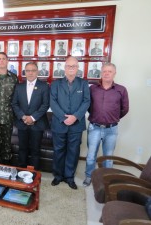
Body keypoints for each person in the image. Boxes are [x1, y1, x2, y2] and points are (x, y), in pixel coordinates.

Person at [83, 62, 129, 187]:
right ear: (101, 73)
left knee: (108, 157)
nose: (106, 73)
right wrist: (96, 116)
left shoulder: (121, 90)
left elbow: (125, 108)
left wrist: (113, 118)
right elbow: (88, 105)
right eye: (104, 71)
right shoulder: (92, 89)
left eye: (109, 71)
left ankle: (107, 179)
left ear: (114, 73)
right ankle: (89, 176)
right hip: (94, 127)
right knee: (91, 155)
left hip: (111, 129)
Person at [50, 56, 90, 190]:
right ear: (64, 68)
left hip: (76, 124)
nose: (71, 68)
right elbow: (53, 102)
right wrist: (63, 117)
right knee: (58, 150)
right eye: (69, 66)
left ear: (78, 68)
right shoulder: (56, 84)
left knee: (73, 151)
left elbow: (86, 101)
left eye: (74, 66)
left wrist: (75, 117)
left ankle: (69, 177)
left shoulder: (83, 83)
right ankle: (58, 176)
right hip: (59, 123)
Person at [12, 62, 49, 170]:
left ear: (37, 72)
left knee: (35, 150)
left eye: (33, 70)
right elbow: (14, 104)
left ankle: (33, 174)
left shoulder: (44, 86)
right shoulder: (19, 86)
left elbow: (45, 104)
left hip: (37, 124)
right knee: (22, 149)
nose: (30, 73)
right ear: (25, 72)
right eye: (28, 70)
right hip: (22, 124)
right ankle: (21, 172)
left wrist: (32, 118)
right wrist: (23, 117)